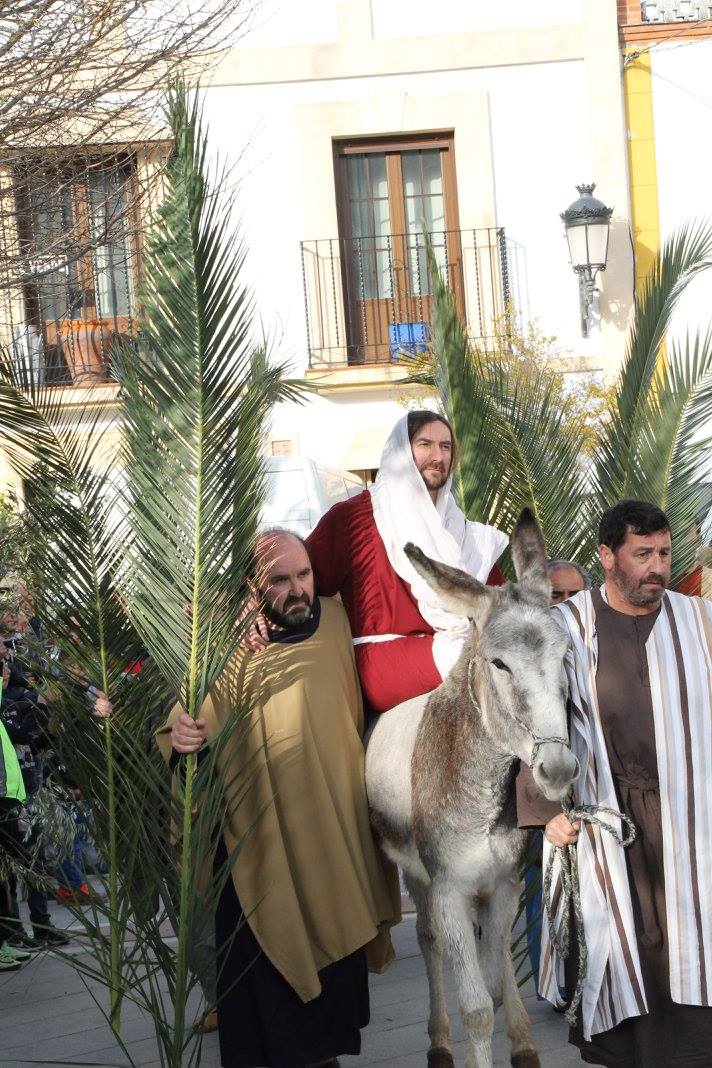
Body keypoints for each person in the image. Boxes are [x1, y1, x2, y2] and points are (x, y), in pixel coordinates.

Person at [158, 529, 401, 1068]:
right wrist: (182, 739)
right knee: (263, 1015)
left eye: (303, 574)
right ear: (252, 585)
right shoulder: (227, 644)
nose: (296, 589)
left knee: (329, 1016)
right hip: (258, 851)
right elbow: (184, 720)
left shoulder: (339, 621)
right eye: (279, 579)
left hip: (335, 841)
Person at [517, 499, 712, 1067]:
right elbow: (533, 716)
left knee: (692, 939)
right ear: (607, 556)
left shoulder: (699, 623)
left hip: (689, 814)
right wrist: (544, 810)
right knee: (625, 952)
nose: (658, 566)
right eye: (643, 553)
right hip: (606, 817)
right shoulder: (566, 626)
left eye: (665, 553)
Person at [303, 411, 508, 712]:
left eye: (446, 446)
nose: (437, 456)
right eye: (425, 444)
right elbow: (302, 578)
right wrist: (254, 606)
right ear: (400, 450)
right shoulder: (354, 518)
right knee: (480, 662)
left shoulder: (462, 530)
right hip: (382, 660)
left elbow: (499, 600)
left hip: (457, 646)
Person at [523, 558, 591, 995]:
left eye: (574, 594)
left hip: (595, 796)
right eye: (556, 595)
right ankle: (555, 988)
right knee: (544, 901)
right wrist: (545, 812)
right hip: (541, 797)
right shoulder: (521, 657)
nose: (565, 604)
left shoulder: (595, 644)